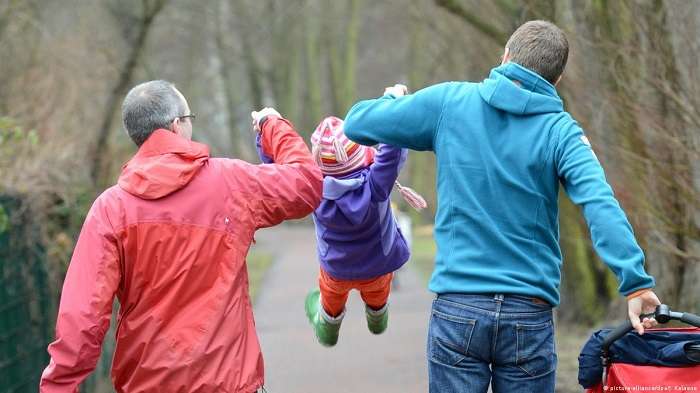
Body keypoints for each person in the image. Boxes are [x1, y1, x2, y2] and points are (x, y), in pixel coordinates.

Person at [343, 20, 661, 393]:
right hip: (528, 315)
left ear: (506, 55)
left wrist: (393, 100)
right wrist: (636, 285)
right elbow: (600, 204)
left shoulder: (448, 103)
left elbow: (357, 123)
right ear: (556, 80)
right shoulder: (562, 132)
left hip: (459, 308)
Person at [39, 80, 322, 393]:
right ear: (176, 125)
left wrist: (59, 386)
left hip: (147, 383)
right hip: (227, 382)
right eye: (190, 119)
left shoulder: (111, 208)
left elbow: (82, 316)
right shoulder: (230, 182)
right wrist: (272, 125)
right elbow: (306, 183)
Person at [257, 115, 424, 347]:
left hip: (336, 270)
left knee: (330, 299)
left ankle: (328, 328)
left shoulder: (313, 188)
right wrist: (393, 100)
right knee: (378, 291)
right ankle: (377, 316)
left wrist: (265, 129)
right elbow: (392, 150)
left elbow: (278, 169)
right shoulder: (377, 183)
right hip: (378, 266)